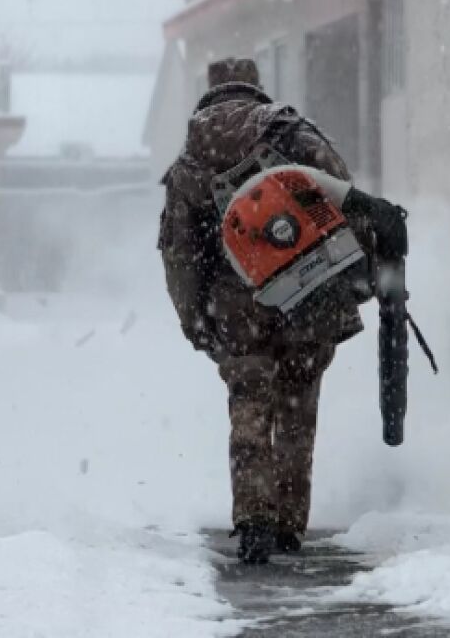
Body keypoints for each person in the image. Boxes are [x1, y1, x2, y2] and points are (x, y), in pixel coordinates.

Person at [157, 58, 369, 563]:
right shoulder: (292, 133)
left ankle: (254, 522)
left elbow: (179, 254)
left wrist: (194, 320)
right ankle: (291, 524)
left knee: (249, 406)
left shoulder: (190, 162)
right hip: (307, 291)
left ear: (210, 94)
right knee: (298, 408)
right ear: (256, 89)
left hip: (235, 305)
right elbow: (342, 191)